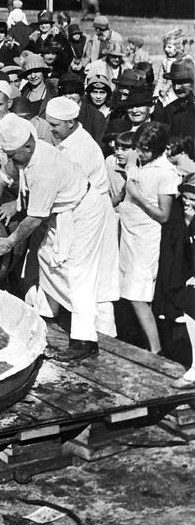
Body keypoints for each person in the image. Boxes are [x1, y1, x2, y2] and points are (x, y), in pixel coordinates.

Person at [0, 115, 107, 362]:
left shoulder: (45, 170)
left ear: (27, 146)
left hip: (82, 212)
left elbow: (33, 219)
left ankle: (85, 340)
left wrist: (8, 242)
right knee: (46, 258)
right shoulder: (23, 153)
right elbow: (0, 177)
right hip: (59, 212)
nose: (10, 160)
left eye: (13, 154)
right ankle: (47, 315)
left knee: (77, 272)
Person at [45, 97, 119, 337]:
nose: (51, 129)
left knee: (95, 280)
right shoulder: (66, 140)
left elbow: (65, 189)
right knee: (55, 263)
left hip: (92, 217)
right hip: (76, 214)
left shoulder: (82, 149)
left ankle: (104, 338)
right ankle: (52, 320)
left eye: (55, 125)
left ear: (71, 122)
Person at [118, 123, 178, 354]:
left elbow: (163, 215)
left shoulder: (165, 173)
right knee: (128, 293)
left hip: (145, 240)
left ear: (158, 147)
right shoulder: (141, 163)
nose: (139, 153)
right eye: (138, 148)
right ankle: (143, 343)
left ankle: (156, 349)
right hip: (129, 235)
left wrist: (137, 195)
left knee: (138, 296)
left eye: (144, 149)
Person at [173, 181, 195, 388]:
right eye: (185, 198)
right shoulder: (188, 221)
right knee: (189, 305)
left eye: (193, 199)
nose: (187, 202)